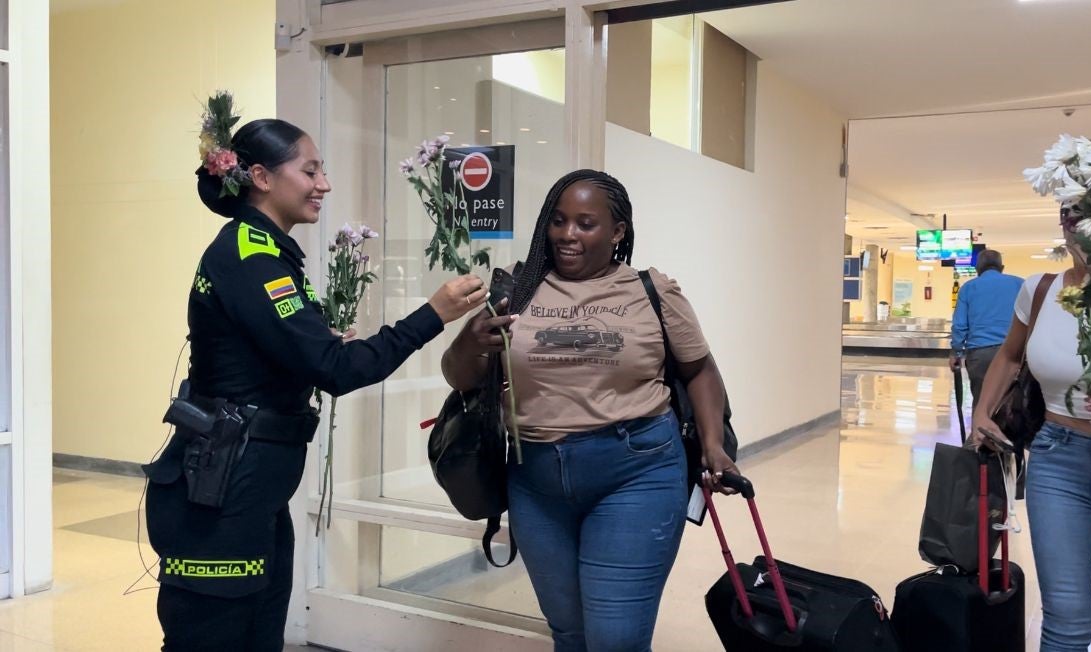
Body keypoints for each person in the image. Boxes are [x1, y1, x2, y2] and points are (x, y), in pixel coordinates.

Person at [143, 107, 485, 651]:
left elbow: (289, 356)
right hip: (221, 492)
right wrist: (433, 314)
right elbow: (337, 370)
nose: (323, 183)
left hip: (249, 486)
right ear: (260, 177)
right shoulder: (251, 257)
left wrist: (314, 347)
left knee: (257, 633)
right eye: (310, 170)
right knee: (213, 637)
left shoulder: (265, 250)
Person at [441, 169, 736, 651]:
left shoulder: (652, 291)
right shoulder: (518, 289)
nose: (567, 235)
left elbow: (700, 370)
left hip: (636, 473)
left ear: (617, 232)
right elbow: (460, 376)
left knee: (614, 638)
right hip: (535, 480)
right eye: (558, 221)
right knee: (570, 633)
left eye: (585, 223)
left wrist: (712, 446)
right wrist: (469, 342)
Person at [971, 207, 1091, 651]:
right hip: (1057, 455)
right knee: (1066, 616)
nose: (1078, 226)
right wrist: (982, 411)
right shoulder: (1040, 290)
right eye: (1069, 214)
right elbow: (1011, 356)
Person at [948, 249, 1023, 409]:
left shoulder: (969, 288)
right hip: (1015, 353)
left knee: (982, 403)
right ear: (1002, 267)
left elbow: (960, 324)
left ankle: (980, 432)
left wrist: (956, 353)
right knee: (1013, 404)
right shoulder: (1020, 284)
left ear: (977, 269)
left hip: (980, 355)